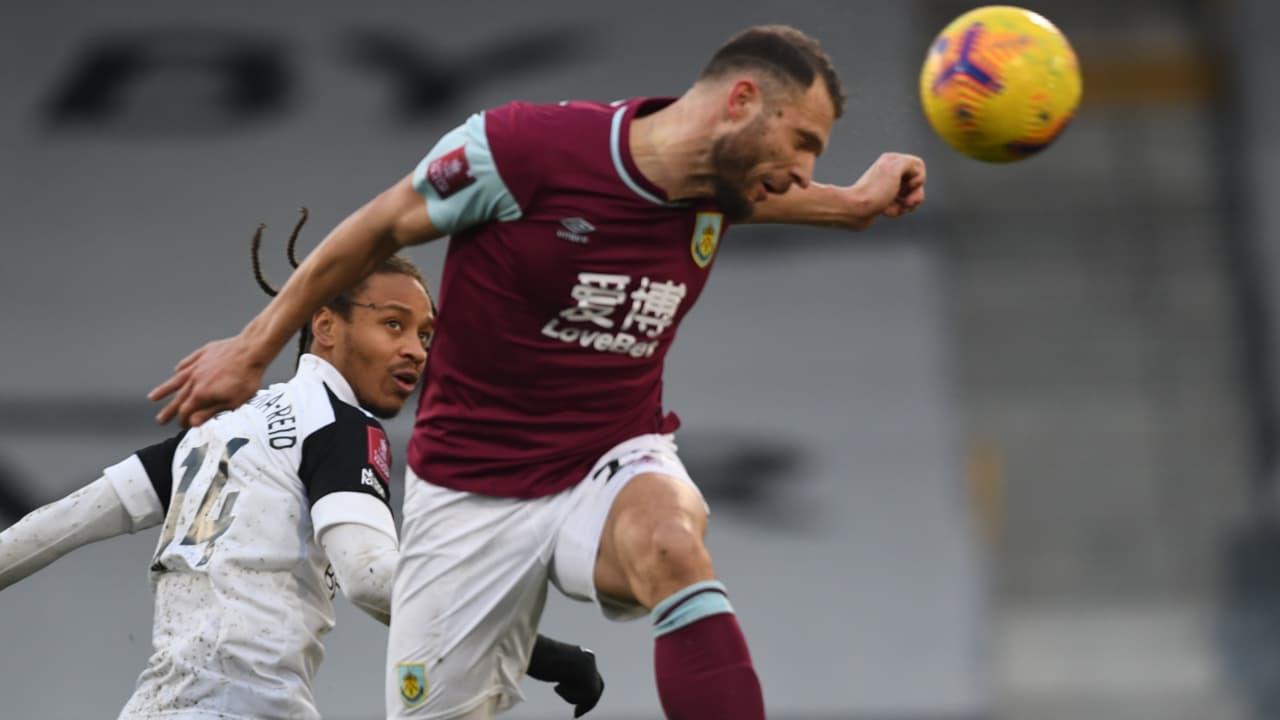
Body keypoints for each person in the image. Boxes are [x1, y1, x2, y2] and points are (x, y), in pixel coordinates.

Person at [148, 24, 927, 720]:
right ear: (742, 101)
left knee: (670, 543)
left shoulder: (721, 189)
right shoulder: (522, 152)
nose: (802, 171)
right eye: (802, 141)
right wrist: (252, 347)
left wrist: (852, 203)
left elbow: (757, 195)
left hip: (608, 461)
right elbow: (381, 226)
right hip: (468, 493)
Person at [0, 246, 604, 719]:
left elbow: (54, 527)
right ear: (324, 325)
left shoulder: (217, 432)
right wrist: (538, 651)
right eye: (393, 325)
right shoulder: (341, 429)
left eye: (424, 335)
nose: (416, 351)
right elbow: (373, 581)